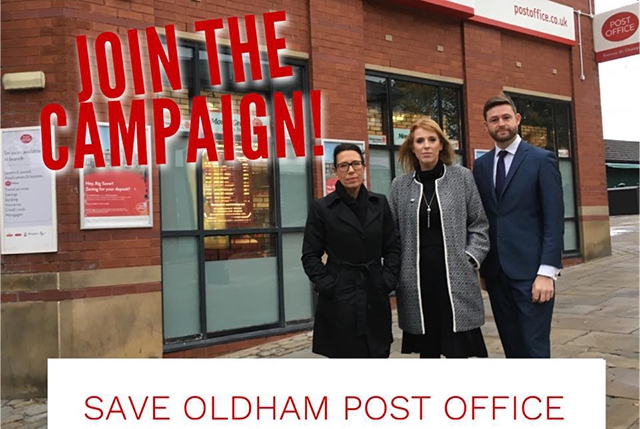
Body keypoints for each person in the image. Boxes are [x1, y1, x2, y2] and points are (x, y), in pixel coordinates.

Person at [389, 118, 490, 358]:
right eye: (419, 141)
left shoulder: (462, 177)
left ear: (441, 145)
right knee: (428, 351)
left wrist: (470, 258)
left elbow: (479, 224)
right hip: (417, 281)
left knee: (458, 350)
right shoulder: (399, 186)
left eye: (431, 140)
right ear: (412, 147)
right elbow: (391, 235)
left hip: (455, 277)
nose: (426, 146)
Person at [473, 93, 564, 358]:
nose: (500, 124)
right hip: (497, 274)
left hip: (532, 274)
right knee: (512, 348)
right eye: (494, 120)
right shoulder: (481, 166)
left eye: (505, 117)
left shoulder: (541, 160)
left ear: (517, 119)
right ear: (487, 126)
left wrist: (547, 272)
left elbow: (553, 219)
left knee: (534, 349)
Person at [301, 143, 401, 358]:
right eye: (343, 165)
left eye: (355, 164)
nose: (350, 170)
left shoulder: (379, 203)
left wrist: (388, 279)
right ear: (336, 171)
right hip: (340, 295)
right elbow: (310, 254)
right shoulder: (322, 208)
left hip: (374, 290)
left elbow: (392, 247)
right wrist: (327, 284)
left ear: (364, 167)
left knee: (377, 354)